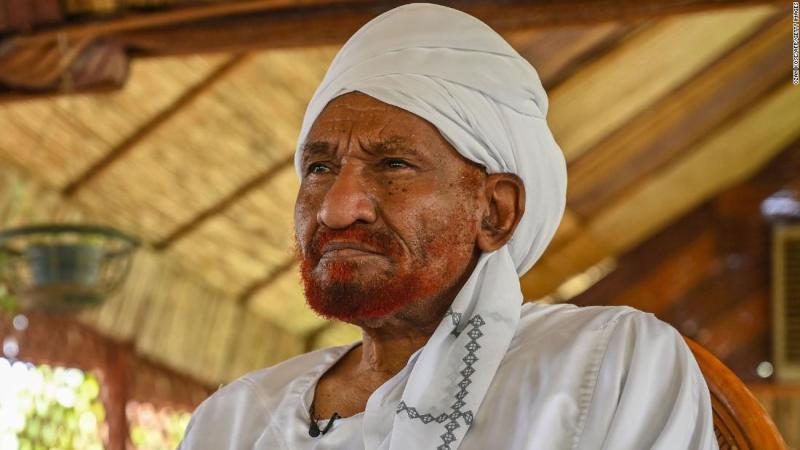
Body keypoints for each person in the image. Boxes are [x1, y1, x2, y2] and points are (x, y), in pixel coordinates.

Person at [178, 3, 717, 449]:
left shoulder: (606, 363)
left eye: (393, 164)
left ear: (495, 212)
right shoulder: (234, 421)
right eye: (319, 168)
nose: (336, 210)